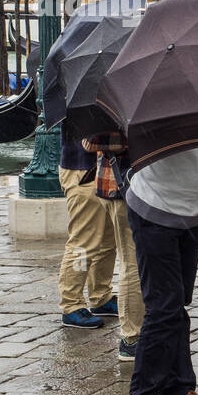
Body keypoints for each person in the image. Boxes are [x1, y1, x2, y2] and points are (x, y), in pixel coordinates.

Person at [124, 148, 198, 395]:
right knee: (163, 308)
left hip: (191, 207)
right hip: (154, 207)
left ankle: (177, 390)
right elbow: (101, 142)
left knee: (177, 307)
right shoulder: (145, 103)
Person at [81, 130, 145, 362]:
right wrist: (141, 136)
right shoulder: (110, 98)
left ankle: (138, 328)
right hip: (122, 187)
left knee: (135, 259)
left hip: (127, 185)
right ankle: (131, 337)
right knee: (132, 262)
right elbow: (90, 141)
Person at [57, 122, 119, 330]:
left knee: (108, 241)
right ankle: (71, 303)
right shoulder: (80, 93)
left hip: (103, 170)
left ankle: (101, 295)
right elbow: (87, 142)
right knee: (84, 243)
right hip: (83, 171)